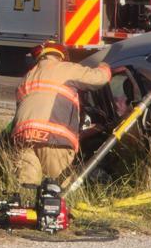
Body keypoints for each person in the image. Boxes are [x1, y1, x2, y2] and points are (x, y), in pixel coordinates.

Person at [11, 40, 112, 189]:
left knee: (27, 191)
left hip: (23, 140)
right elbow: (99, 79)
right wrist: (105, 65)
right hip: (53, 141)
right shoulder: (65, 69)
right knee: (60, 193)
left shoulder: (26, 78)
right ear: (61, 56)